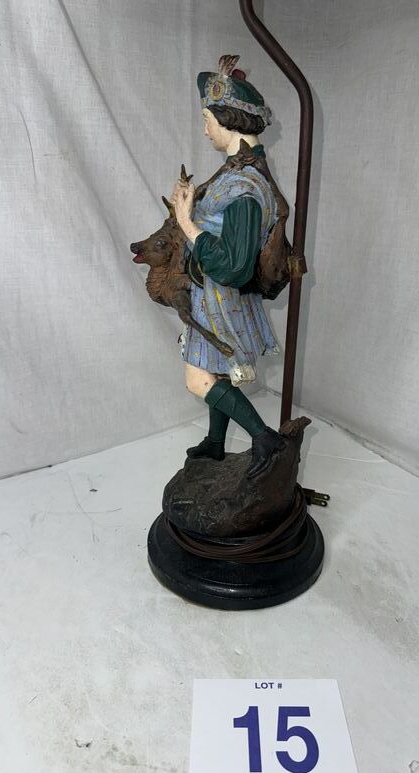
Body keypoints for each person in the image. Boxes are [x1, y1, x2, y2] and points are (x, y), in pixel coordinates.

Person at [170, 55, 285, 480]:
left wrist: (186, 223)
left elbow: (235, 266)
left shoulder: (244, 186)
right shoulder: (236, 172)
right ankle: (217, 443)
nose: (205, 130)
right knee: (218, 372)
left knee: (198, 379)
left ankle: (265, 440)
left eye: (207, 120)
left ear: (227, 119)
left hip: (222, 297)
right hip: (214, 296)